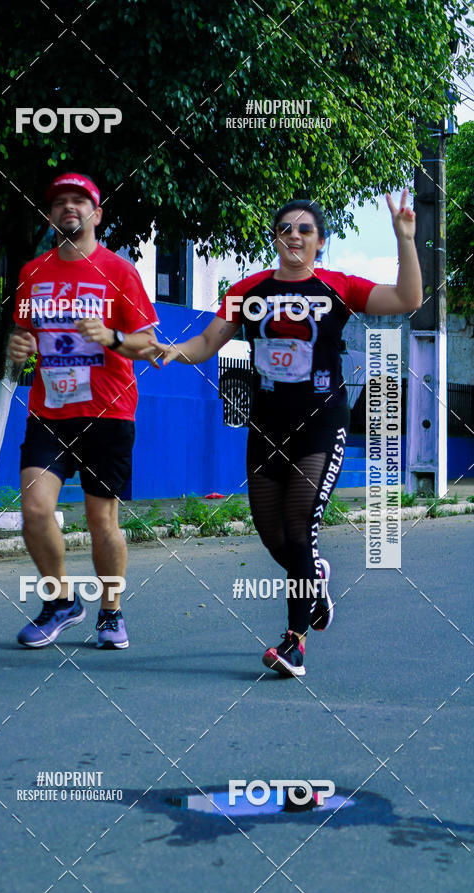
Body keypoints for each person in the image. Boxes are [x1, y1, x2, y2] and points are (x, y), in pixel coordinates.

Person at [143, 189, 421, 677]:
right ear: (276, 238)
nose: (294, 235)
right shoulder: (248, 292)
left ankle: (294, 643)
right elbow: (208, 342)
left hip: (321, 424)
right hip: (267, 426)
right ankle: (315, 576)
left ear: (320, 242)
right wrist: (172, 349)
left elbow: (407, 298)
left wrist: (404, 240)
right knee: (274, 537)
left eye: (305, 229)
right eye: (285, 228)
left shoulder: (339, 287)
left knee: (298, 525)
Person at [9, 172, 158, 650]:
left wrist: (112, 337)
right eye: (59, 202)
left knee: (101, 520)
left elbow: (149, 345)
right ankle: (61, 603)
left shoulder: (118, 272)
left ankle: (111, 613)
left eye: (79, 201)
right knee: (34, 509)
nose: (68, 208)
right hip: (49, 412)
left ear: (97, 213)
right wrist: (19, 348)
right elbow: (27, 338)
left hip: (109, 414)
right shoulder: (33, 272)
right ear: (51, 215)